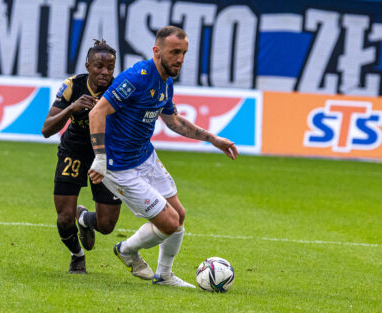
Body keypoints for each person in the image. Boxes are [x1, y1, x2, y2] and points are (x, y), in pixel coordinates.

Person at [87, 26, 238, 287]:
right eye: (175, 52)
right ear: (156, 51)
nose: (180, 58)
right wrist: (100, 158)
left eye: (184, 53)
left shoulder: (166, 82)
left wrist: (213, 139)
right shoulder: (136, 78)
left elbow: (174, 122)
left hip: (144, 156)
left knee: (179, 214)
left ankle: (164, 275)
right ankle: (126, 251)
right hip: (118, 166)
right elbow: (96, 113)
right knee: (168, 222)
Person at [41, 40, 122, 274]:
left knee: (106, 225)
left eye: (110, 67)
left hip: (105, 153)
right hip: (74, 149)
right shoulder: (71, 86)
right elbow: (46, 130)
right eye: (99, 66)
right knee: (65, 217)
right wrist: (71, 108)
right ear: (88, 65)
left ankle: (85, 219)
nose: (105, 72)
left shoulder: (120, 91)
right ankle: (77, 255)